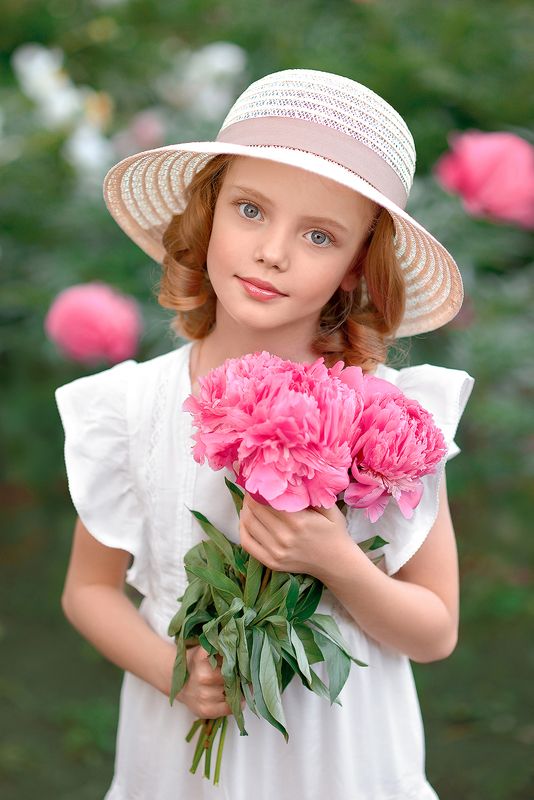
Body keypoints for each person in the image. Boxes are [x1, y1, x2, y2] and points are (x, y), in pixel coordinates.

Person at [56, 69, 475, 799]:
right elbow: (88, 589)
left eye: (319, 235)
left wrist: (338, 562)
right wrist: (171, 669)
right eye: (250, 210)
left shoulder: (388, 420)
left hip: (342, 758)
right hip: (181, 753)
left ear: (355, 268)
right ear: (209, 213)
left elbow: (435, 631)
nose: (273, 251)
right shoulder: (132, 405)